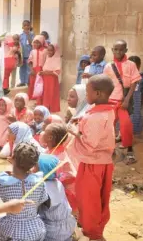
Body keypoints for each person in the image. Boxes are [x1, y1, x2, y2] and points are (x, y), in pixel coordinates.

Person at [67, 74, 116, 240]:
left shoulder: (95, 117)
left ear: (98, 94)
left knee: (88, 198)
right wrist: (81, 120)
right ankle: (95, 227)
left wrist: (75, 131)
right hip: (103, 162)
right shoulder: (107, 111)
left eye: (88, 92)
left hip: (92, 164)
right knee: (99, 197)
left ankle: (92, 233)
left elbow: (89, 144)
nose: (86, 96)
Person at [0, 142, 49, 241]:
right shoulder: (39, 182)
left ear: (12, 158)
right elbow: (42, 199)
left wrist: (4, 174)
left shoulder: (2, 182)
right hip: (35, 228)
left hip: (11, 230)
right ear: (34, 164)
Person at [103, 40, 141, 165]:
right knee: (109, 127)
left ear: (126, 50)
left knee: (126, 126)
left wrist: (127, 100)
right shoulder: (108, 66)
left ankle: (130, 152)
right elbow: (106, 83)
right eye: (116, 49)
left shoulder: (131, 65)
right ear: (112, 50)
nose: (118, 52)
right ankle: (109, 150)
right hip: (110, 101)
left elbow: (133, 83)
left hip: (123, 102)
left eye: (121, 49)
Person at [37, 154, 77, 241]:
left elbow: (32, 209)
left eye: (35, 167)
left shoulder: (43, 188)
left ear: (42, 171)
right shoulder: (57, 182)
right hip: (68, 225)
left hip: (52, 231)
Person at [43, 123, 78, 214]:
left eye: (45, 132)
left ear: (50, 138)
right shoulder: (51, 150)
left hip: (65, 194)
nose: (42, 133)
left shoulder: (58, 157)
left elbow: (55, 177)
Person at [128, 56, 143, 135]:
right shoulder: (125, 77)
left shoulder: (142, 77)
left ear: (139, 66)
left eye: (136, 67)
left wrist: (141, 103)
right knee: (124, 119)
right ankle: (122, 136)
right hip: (127, 101)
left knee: (135, 119)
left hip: (136, 102)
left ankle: (130, 138)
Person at [40, 43, 61, 112]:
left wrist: (47, 73)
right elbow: (45, 68)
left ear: (55, 51)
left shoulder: (57, 59)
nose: (49, 52)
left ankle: (52, 108)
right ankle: (46, 107)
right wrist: (42, 73)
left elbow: (57, 72)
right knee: (46, 93)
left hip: (52, 80)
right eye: (48, 50)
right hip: (46, 79)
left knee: (52, 94)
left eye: (51, 50)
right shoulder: (47, 58)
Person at [27, 35, 47, 101]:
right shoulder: (32, 51)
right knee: (33, 83)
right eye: (34, 42)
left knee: (40, 85)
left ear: (42, 42)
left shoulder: (45, 51)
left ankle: (40, 99)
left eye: (38, 42)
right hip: (34, 70)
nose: (36, 44)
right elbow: (30, 61)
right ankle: (33, 98)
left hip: (42, 70)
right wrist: (31, 69)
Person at [18, 20, 35, 87]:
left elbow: (32, 43)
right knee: (22, 69)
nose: (26, 27)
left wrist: (28, 35)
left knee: (28, 69)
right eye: (25, 25)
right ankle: (22, 81)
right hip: (22, 55)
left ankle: (28, 81)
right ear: (22, 27)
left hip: (29, 55)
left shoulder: (32, 34)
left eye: (28, 25)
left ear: (30, 26)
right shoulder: (20, 36)